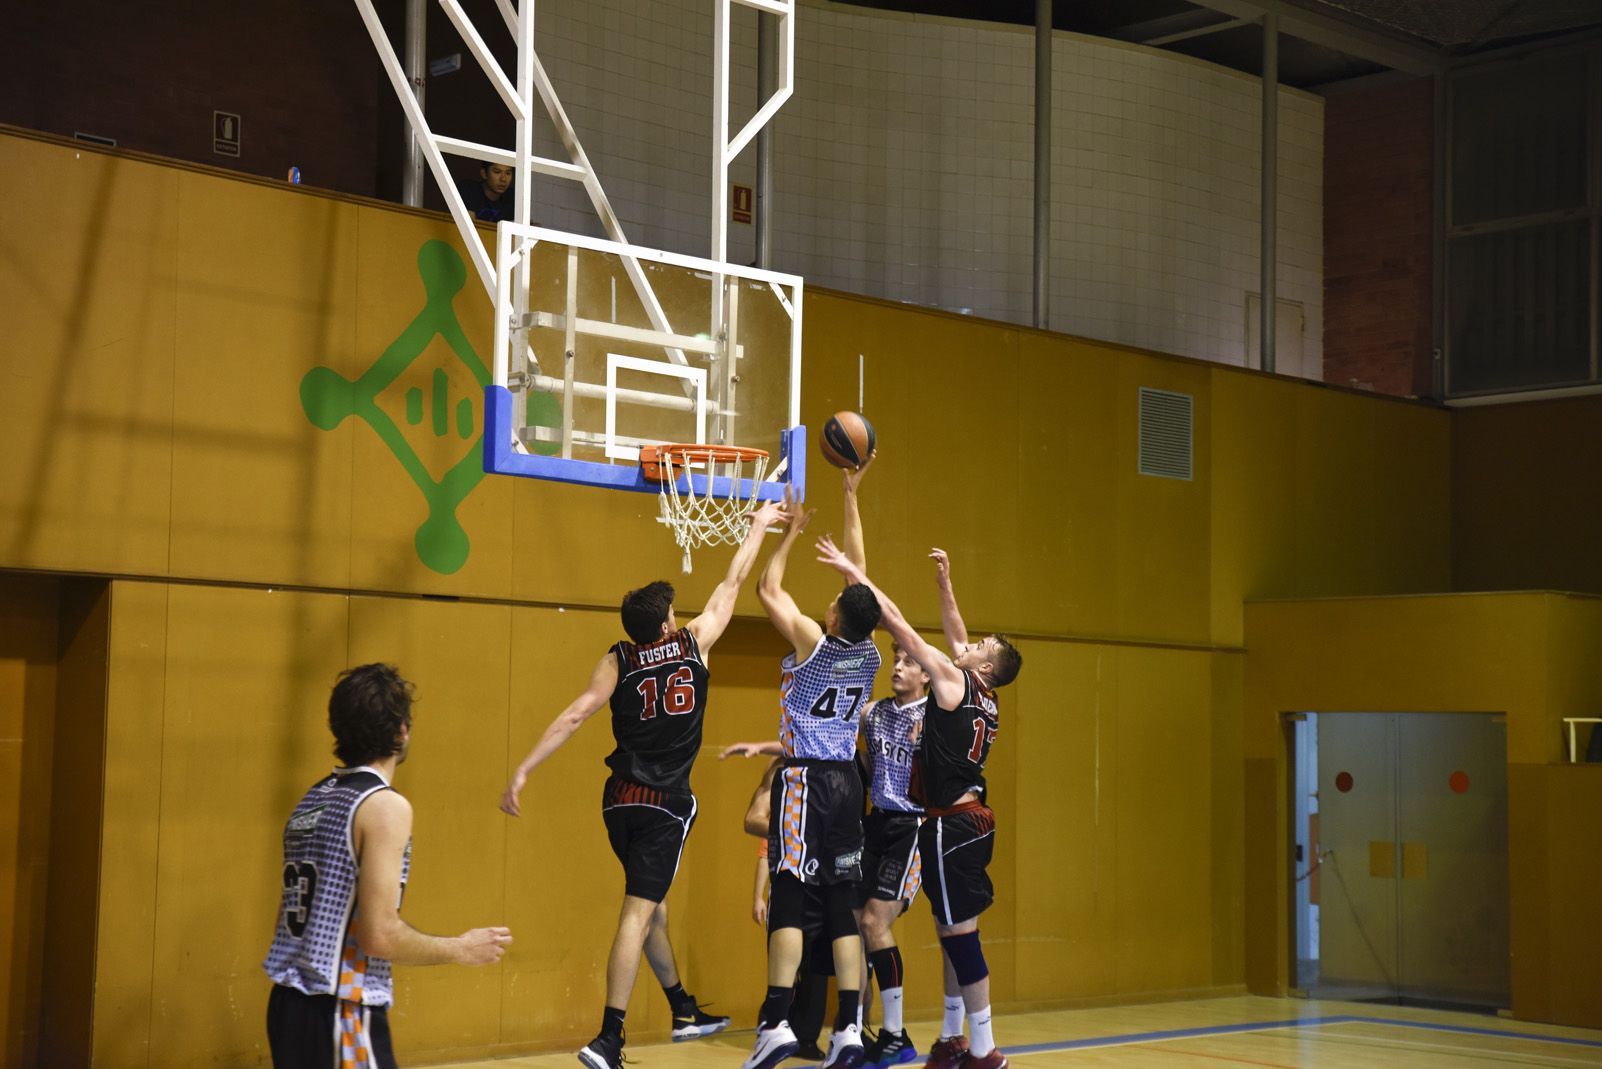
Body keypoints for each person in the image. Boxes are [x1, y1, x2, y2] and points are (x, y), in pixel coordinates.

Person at [499, 499, 786, 1069]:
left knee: (650, 908)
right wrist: (756, 525)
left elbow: (578, 713)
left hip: (617, 804)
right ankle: (609, 1037)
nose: (679, 618)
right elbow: (733, 581)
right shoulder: (693, 644)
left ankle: (682, 1008)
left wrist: (526, 767)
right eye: (674, 613)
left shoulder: (618, 659)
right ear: (666, 624)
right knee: (636, 912)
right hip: (664, 806)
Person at [814, 540, 1022, 1069]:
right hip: (962, 819)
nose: (968, 641)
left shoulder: (952, 682)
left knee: (961, 938)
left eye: (980, 644)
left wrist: (855, 577)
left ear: (987, 667)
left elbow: (899, 622)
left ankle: (983, 1049)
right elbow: (955, 632)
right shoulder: (979, 693)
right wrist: (945, 582)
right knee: (949, 929)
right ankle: (955, 1036)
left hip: (951, 823)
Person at [263, 664, 513, 1069]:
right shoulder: (383, 806)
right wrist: (461, 948)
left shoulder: (311, 801)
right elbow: (378, 936)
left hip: (286, 1006)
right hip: (340, 1010)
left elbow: (285, 918)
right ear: (402, 730)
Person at [738, 459, 882, 1069]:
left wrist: (789, 532)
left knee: (792, 897)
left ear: (831, 619)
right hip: (850, 784)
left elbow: (767, 590)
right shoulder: (872, 652)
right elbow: (863, 585)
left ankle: (774, 1021)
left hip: (804, 780)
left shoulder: (814, 645)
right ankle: (849, 1025)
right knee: (845, 899)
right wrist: (852, 498)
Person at [855, 637, 930, 1068]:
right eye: (896, 660)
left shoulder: (935, 718)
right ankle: (857, 1029)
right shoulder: (875, 712)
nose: (899, 667)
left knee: (875, 921)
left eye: (908, 662)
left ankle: (896, 1033)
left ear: (925, 676)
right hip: (875, 824)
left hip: (911, 827)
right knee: (857, 926)